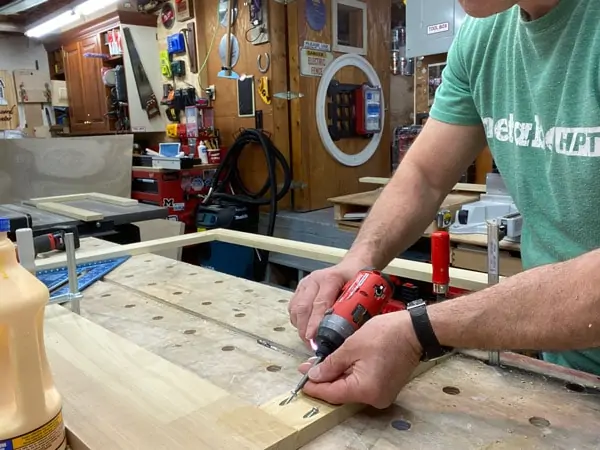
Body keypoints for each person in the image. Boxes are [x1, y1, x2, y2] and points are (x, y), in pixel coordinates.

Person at [287, 0, 600, 409]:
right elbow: (424, 175)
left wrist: (420, 331)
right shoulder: (484, 34)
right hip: (570, 369)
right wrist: (358, 262)